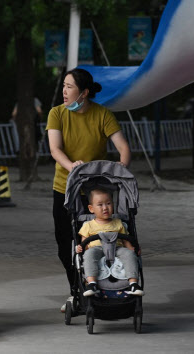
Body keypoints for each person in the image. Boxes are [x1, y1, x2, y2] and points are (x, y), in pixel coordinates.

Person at [46, 68, 131, 312]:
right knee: (66, 245)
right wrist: (71, 167)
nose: (64, 91)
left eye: (69, 87)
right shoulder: (57, 114)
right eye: (63, 85)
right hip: (65, 188)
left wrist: (121, 169)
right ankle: (77, 292)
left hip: (96, 192)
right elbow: (55, 149)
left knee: (96, 243)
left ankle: (102, 289)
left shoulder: (102, 114)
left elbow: (123, 147)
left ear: (83, 93)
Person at [75, 189, 144, 297]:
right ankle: (92, 283)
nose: (105, 208)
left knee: (129, 254)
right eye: (100, 205)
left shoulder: (118, 223)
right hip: (96, 248)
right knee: (89, 255)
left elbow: (126, 241)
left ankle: (133, 283)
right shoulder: (88, 225)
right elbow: (85, 244)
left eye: (108, 203)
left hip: (117, 248)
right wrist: (81, 249)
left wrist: (133, 249)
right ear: (91, 208)